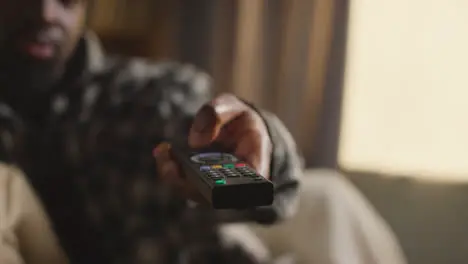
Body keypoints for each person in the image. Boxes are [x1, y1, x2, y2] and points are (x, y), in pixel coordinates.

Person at [0, 1, 407, 264]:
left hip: (214, 249)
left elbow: (206, 149)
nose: (46, 12)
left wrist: (252, 156)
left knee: (327, 199)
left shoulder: (139, 94)